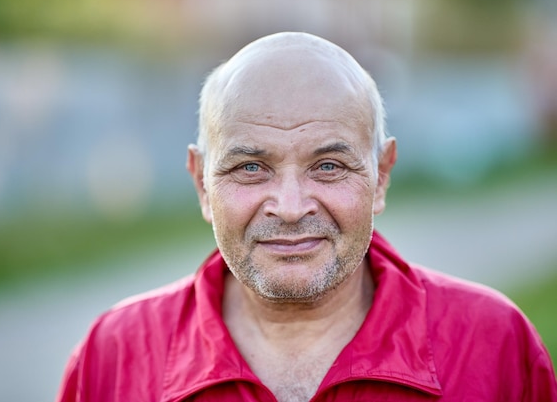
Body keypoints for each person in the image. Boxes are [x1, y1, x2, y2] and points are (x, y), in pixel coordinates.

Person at [56, 32, 557, 402]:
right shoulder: (114, 356)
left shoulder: (494, 345)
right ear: (201, 183)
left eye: (329, 166)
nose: (291, 208)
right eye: (251, 167)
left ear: (381, 176)